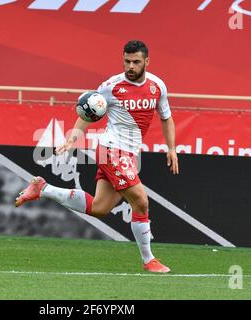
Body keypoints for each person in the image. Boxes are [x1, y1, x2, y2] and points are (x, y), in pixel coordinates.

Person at [15, 40, 179, 273]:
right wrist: (73, 138)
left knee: (100, 208)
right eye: (127, 61)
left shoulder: (157, 86)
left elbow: (166, 117)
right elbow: (88, 110)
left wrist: (171, 148)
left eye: (136, 62)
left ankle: (42, 188)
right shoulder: (111, 86)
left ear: (146, 62)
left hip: (129, 154)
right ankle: (149, 260)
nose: (130, 66)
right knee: (141, 201)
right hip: (111, 149)